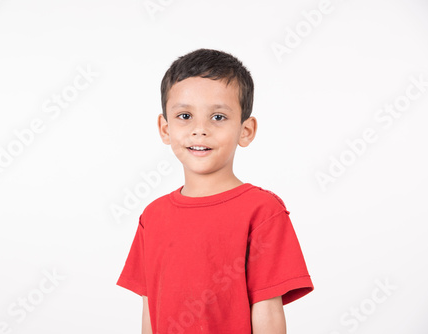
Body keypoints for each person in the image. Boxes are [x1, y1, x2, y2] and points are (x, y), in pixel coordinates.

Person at [116, 48, 314, 334]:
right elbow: (151, 308)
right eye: (185, 115)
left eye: (218, 117)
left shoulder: (263, 212)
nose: (200, 130)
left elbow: (268, 311)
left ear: (245, 130)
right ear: (165, 128)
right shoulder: (153, 216)